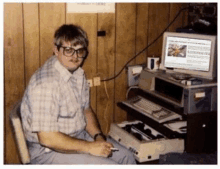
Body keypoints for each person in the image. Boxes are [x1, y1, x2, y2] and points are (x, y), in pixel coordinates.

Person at [21, 24, 136, 164]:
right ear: (56, 50)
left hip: (79, 137)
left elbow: (85, 110)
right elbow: (47, 138)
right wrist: (89, 147)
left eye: (80, 51)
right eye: (68, 50)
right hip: (48, 151)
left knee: (127, 157)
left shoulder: (77, 73)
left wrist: (98, 137)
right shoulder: (45, 84)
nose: (75, 57)